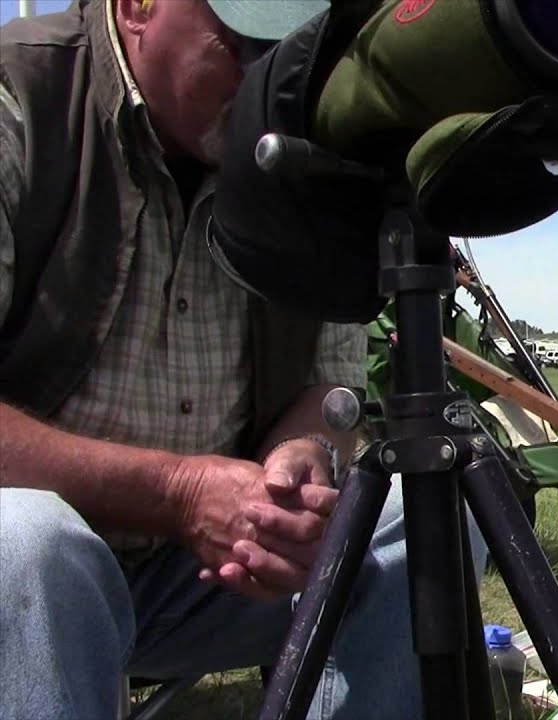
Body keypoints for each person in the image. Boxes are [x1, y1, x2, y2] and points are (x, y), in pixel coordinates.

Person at [0, 1, 482, 717]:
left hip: (207, 574)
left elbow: (333, 380)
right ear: (136, 7)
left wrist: (300, 462)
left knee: (434, 509)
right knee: (27, 545)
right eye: (243, 46)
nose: (272, 79)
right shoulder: (21, 96)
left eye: (290, 51)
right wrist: (182, 494)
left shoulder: (295, 141)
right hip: (35, 569)